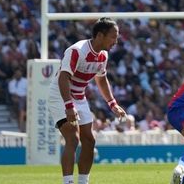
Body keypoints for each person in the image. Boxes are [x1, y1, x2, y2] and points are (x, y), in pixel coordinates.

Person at [47, 17, 127, 184]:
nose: (115, 41)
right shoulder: (77, 50)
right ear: (100, 35)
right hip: (60, 95)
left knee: (89, 140)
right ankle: (68, 182)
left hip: (79, 97)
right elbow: (63, 78)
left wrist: (112, 103)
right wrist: (68, 106)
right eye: (113, 37)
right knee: (73, 138)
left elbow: (101, 79)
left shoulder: (103, 56)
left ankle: (83, 181)